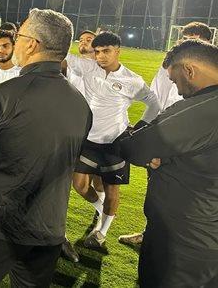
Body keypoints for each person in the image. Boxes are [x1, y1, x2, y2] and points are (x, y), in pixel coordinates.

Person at [0, 8, 92, 287]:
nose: (16, 41)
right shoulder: (80, 105)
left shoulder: (2, 95)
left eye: (20, 35)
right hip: (49, 229)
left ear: (33, 44)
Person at [118, 39, 218, 287]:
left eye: (175, 81)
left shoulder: (203, 109)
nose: (179, 90)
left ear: (190, 71)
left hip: (184, 241)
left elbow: (135, 148)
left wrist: (143, 145)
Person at [66, 31, 160, 249]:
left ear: (118, 51)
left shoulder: (132, 80)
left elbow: (153, 104)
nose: (100, 56)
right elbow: (61, 57)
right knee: (79, 185)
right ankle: (101, 209)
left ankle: (102, 232)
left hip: (115, 144)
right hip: (88, 140)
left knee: (112, 190)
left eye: (106, 51)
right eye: (97, 52)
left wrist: (138, 128)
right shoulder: (88, 67)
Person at [61, 29, 104, 262]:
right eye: (83, 39)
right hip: (69, 129)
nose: (84, 42)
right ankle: (60, 235)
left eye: (90, 40)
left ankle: (102, 212)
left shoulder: (102, 70)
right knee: (65, 183)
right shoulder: (72, 66)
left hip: (95, 134)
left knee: (89, 183)